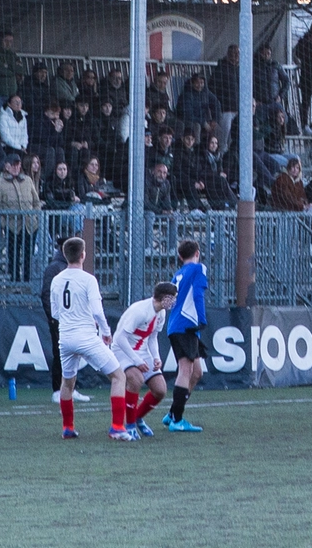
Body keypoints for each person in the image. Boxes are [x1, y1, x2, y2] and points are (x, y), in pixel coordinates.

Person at [51, 238, 136, 441]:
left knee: (67, 382)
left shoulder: (57, 280)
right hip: (86, 336)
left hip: (65, 338)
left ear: (65, 255)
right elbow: (97, 312)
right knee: (118, 376)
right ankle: (117, 427)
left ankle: (67, 428)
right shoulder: (89, 280)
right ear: (83, 255)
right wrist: (106, 331)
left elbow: (55, 312)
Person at [112, 282, 178, 439]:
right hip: (122, 350)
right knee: (136, 380)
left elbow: (153, 337)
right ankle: (129, 425)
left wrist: (156, 357)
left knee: (160, 390)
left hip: (141, 351)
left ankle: (137, 417)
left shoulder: (160, 313)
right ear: (164, 298)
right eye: (173, 298)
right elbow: (120, 338)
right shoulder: (140, 311)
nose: (174, 302)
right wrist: (136, 360)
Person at [38, 243, 91, 404]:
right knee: (59, 353)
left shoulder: (66, 268)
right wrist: (53, 318)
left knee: (72, 355)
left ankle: (70, 388)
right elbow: (47, 294)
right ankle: (57, 389)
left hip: (71, 319)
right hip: (60, 320)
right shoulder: (55, 268)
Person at [163, 240, 207, 433]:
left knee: (197, 372)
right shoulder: (198, 268)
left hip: (176, 325)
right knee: (185, 370)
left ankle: (172, 413)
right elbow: (198, 294)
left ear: (180, 257)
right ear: (198, 252)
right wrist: (202, 319)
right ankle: (177, 420)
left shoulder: (177, 274)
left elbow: (168, 302)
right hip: (187, 325)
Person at [0, 154, 42, 282]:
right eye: (13, 165)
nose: (16, 167)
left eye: (18, 164)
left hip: (30, 225)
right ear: (6, 166)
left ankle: (27, 281)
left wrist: (35, 216)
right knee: (13, 256)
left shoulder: (28, 181)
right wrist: (5, 223)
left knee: (28, 255)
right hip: (12, 226)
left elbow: (36, 202)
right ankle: (14, 282)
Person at [175, 73, 221, 142]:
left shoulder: (206, 92)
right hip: (188, 120)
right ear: (192, 83)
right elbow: (188, 114)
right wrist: (203, 123)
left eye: (201, 83)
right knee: (197, 127)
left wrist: (214, 120)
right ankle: (197, 149)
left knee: (218, 129)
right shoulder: (186, 94)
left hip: (203, 119)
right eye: (197, 83)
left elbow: (216, 103)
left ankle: (216, 150)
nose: (199, 85)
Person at [211, 45, 240, 151]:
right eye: (233, 53)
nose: (236, 56)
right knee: (223, 140)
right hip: (226, 110)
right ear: (228, 54)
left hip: (238, 110)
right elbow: (213, 88)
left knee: (236, 139)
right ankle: (221, 162)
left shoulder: (241, 70)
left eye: (237, 53)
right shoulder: (221, 69)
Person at [199, 134, 237, 210]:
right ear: (207, 144)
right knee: (221, 181)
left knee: (221, 182)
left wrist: (222, 173)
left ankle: (224, 207)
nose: (214, 145)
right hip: (205, 180)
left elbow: (220, 170)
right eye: (212, 143)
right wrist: (218, 174)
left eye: (216, 143)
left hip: (216, 181)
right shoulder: (201, 155)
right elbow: (203, 172)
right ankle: (234, 203)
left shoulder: (218, 156)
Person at [173, 129, 205, 211]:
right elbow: (177, 171)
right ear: (182, 138)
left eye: (192, 139)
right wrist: (193, 182)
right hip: (180, 181)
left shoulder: (194, 153)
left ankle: (212, 210)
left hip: (193, 181)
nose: (190, 142)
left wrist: (200, 180)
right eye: (188, 138)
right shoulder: (177, 152)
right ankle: (196, 210)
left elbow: (199, 169)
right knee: (190, 185)